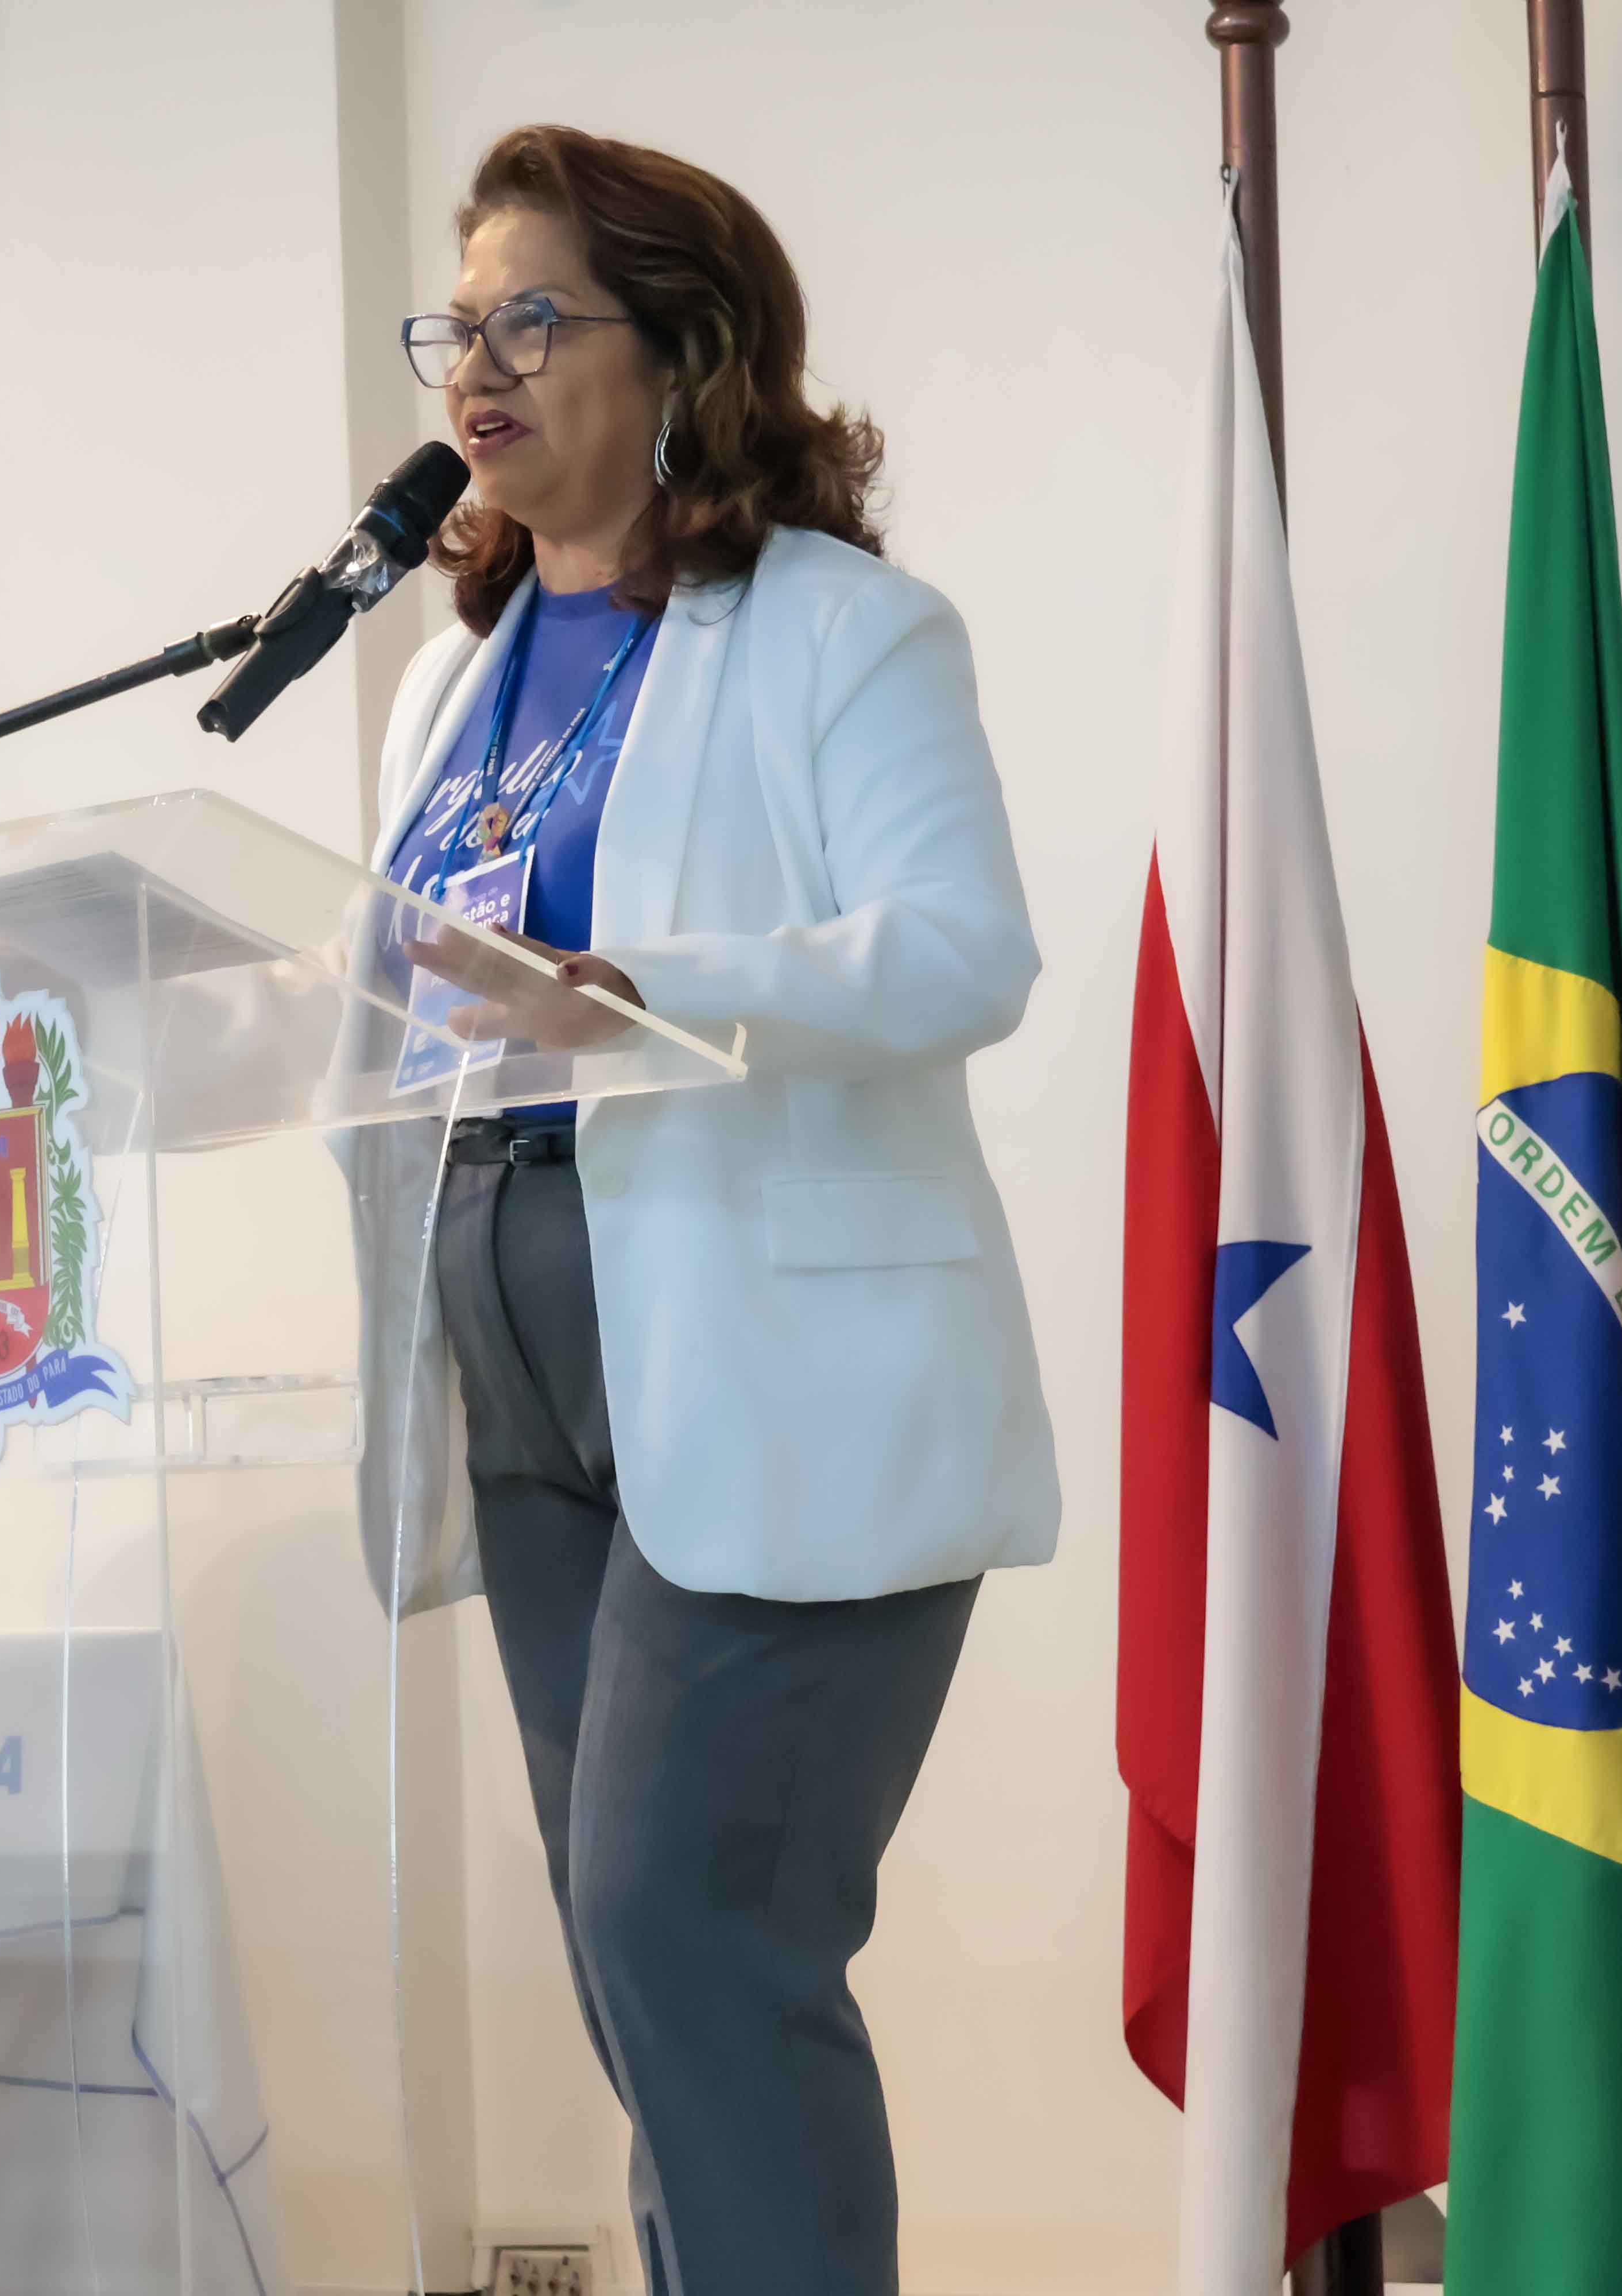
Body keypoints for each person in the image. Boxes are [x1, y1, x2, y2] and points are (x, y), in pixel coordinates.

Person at [362, 127, 1058, 2294]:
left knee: (691, 1926)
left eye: (530, 319)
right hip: (514, 1334)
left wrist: (645, 989)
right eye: (455, 327)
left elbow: (961, 951)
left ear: (684, 352)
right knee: (632, 1957)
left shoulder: (842, 632)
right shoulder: (448, 675)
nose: (476, 367)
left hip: (767, 1350)